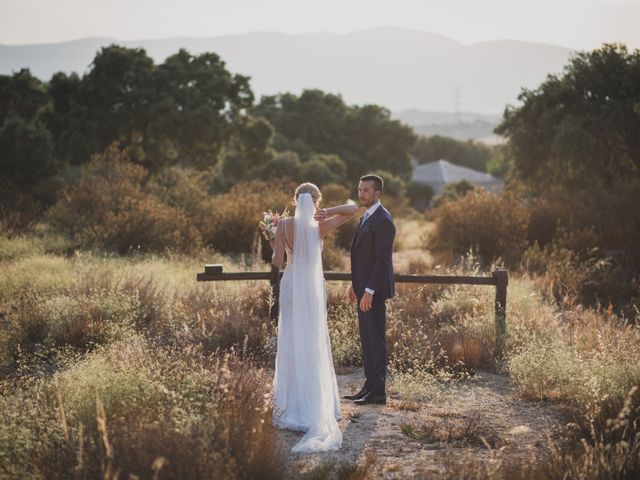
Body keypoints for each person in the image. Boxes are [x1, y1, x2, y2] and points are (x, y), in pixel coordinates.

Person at [270, 182, 358, 453]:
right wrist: (328, 210)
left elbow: (276, 261)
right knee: (311, 338)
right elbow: (353, 209)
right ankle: (313, 403)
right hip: (310, 289)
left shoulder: (282, 225)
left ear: (295, 200)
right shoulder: (320, 225)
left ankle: (290, 403)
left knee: (290, 340)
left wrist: (271, 235)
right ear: (317, 201)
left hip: (290, 284)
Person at [344, 174, 396, 405]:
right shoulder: (366, 217)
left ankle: (378, 392)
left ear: (377, 193)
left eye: (366, 190)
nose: (361, 194)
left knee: (376, 340)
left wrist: (369, 291)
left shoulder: (384, 220)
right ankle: (369, 387)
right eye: (360, 189)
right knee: (367, 340)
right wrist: (353, 284)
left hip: (373, 292)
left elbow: (381, 261)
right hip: (363, 288)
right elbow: (361, 258)